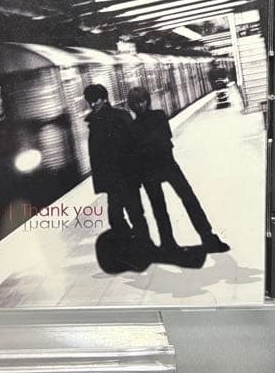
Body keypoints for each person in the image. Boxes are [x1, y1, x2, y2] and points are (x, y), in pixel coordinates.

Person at [127, 86, 230, 253]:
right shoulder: (155, 118)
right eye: (136, 103)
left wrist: (146, 146)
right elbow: (161, 139)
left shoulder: (142, 123)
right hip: (158, 166)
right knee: (169, 204)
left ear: (148, 100)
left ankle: (204, 237)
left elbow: (158, 140)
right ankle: (175, 242)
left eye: (142, 101)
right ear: (132, 106)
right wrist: (151, 144)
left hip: (160, 166)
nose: (140, 105)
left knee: (181, 201)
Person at [83, 84, 152, 245]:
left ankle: (144, 245)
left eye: (95, 100)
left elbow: (134, 143)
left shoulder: (120, 116)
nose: (92, 104)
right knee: (117, 217)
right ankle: (135, 242)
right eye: (90, 101)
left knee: (134, 214)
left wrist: (137, 171)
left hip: (127, 176)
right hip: (113, 180)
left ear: (105, 99)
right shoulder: (95, 121)